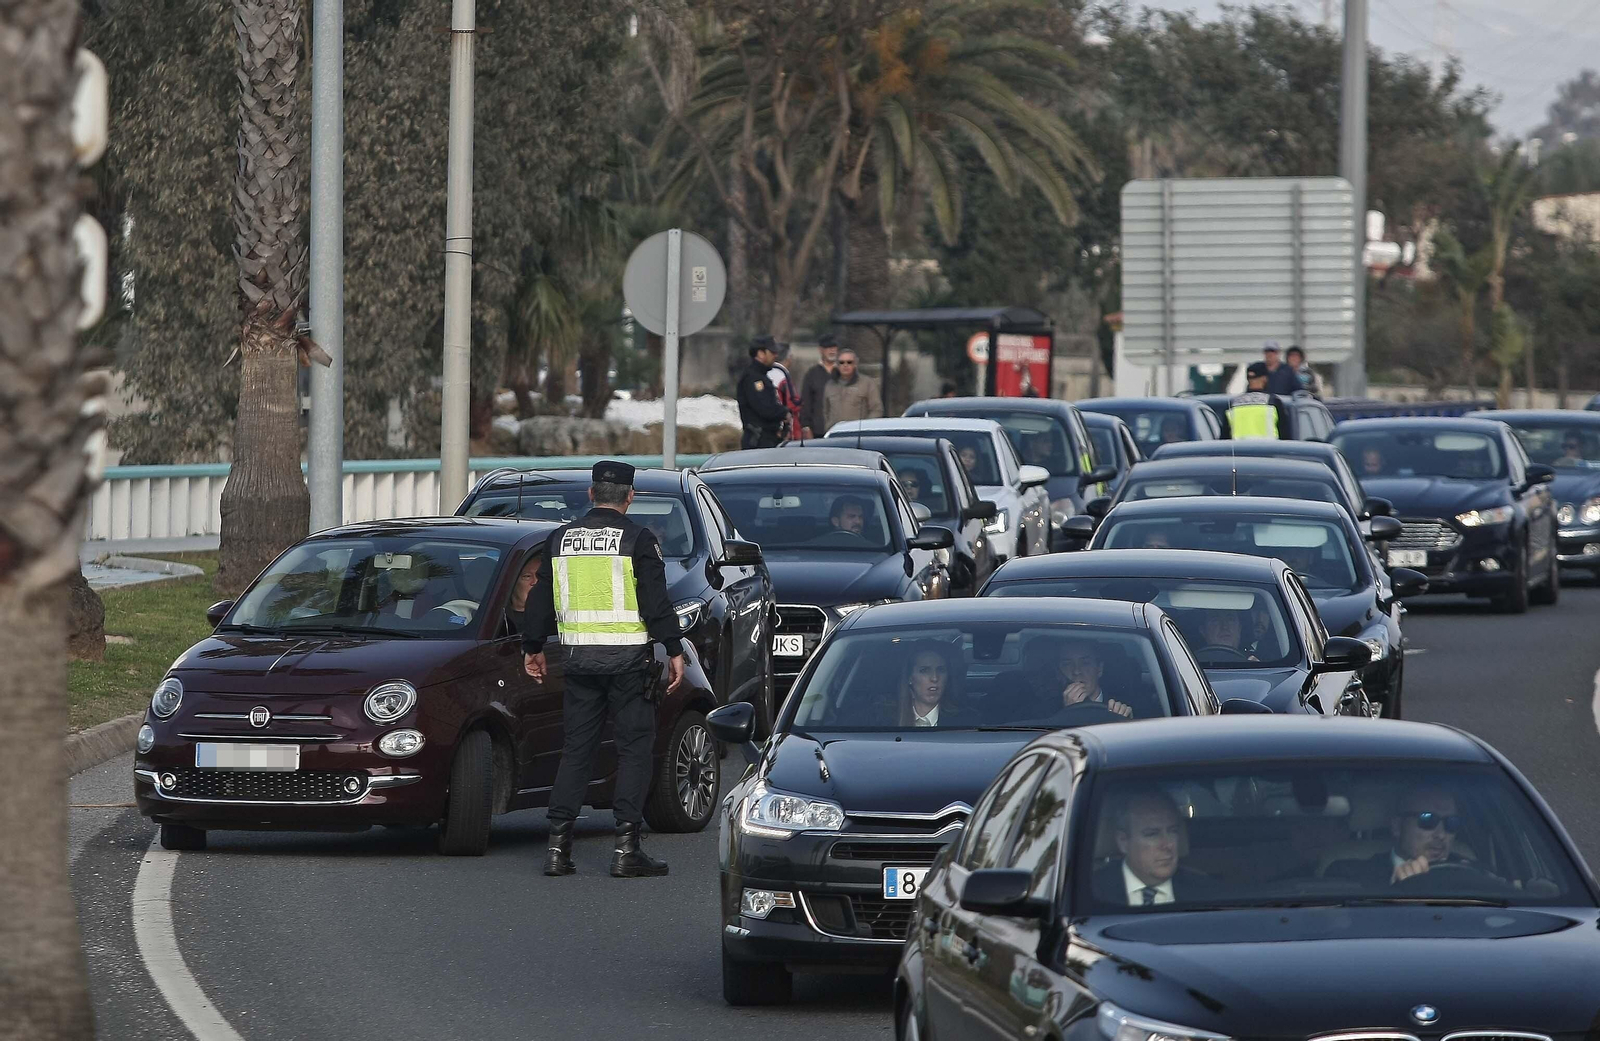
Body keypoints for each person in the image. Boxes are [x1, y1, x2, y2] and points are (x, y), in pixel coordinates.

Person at [521, 461, 686, 879]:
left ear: (591, 494)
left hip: (579, 662)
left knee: (576, 750)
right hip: (629, 664)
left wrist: (532, 647)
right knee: (634, 751)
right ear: (630, 497)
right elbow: (655, 601)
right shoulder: (638, 539)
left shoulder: (559, 539)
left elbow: (540, 598)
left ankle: (557, 849)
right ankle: (626, 850)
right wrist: (674, 647)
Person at [1325, 785, 1476, 887]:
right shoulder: (1348, 873)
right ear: (1397, 826)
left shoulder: (1470, 874)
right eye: (1428, 820)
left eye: (1451, 823)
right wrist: (1397, 892)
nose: (1441, 834)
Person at [1092, 788, 1212, 906]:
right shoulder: (1092, 891)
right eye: (1152, 834)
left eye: (1172, 831)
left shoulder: (1206, 892)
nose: (1168, 845)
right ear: (1123, 841)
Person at [1052, 640, 1136, 719]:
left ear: (1099, 669)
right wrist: (1068, 713)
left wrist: (1125, 721)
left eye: (1085, 663)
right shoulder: (1048, 711)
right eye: (1067, 664)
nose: (1076, 671)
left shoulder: (1124, 706)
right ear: (1058, 673)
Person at [890, 642, 966, 727]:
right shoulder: (886, 719)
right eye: (925, 671)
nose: (934, 678)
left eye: (940, 670)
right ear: (910, 677)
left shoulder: (965, 720)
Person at [736, 336, 789, 449]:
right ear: (760, 354)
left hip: (767, 439)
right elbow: (765, 408)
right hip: (758, 441)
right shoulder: (753, 378)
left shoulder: (761, 376)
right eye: (772, 352)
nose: (776, 355)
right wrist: (784, 412)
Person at [821, 346, 883, 434]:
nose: (845, 365)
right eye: (841, 362)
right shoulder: (830, 385)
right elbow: (825, 411)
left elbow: (877, 410)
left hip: (858, 435)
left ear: (855, 364)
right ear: (837, 365)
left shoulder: (867, 383)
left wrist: (865, 428)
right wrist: (828, 427)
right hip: (835, 434)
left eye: (849, 362)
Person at [1226, 363, 1283, 440]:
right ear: (1264, 378)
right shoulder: (1273, 402)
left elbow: (1224, 439)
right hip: (1269, 447)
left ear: (1248, 379)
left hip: (1239, 448)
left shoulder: (1233, 404)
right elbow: (1285, 436)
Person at [798, 332, 839, 438]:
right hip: (819, 430)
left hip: (840, 429)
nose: (832, 351)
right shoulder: (812, 374)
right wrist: (806, 427)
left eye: (834, 347)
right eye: (828, 347)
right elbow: (805, 403)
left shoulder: (843, 372)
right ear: (821, 350)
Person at [768, 341, 802, 442]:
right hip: (784, 428)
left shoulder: (765, 372)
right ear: (788, 358)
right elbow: (792, 403)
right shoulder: (782, 375)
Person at [1194, 610, 1258, 662]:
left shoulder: (1254, 666)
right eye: (1215, 620)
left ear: (1239, 628)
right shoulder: (1190, 664)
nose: (1224, 626)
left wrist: (1254, 667)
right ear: (1203, 630)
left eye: (1230, 619)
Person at [503, 554, 542, 635]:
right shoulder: (497, 619)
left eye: (539, 576)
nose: (535, 582)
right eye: (527, 576)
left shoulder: (552, 618)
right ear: (513, 581)